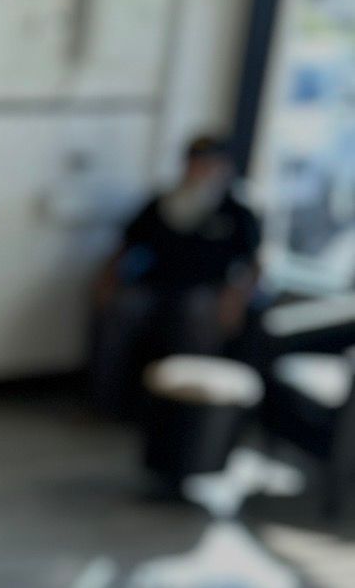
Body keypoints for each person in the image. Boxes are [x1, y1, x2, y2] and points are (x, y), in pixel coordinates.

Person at [90, 131, 264, 417]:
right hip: (156, 285)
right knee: (120, 309)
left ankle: (185, 410)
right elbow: (125, 245)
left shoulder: (236, 211)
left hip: (207, 291)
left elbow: (254, 263)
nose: (200, 170)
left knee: (195, 316)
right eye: (195, 163)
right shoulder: (163, 203)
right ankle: (105, 404)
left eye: (209, 163)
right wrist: (107, 282)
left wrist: (235, 300)